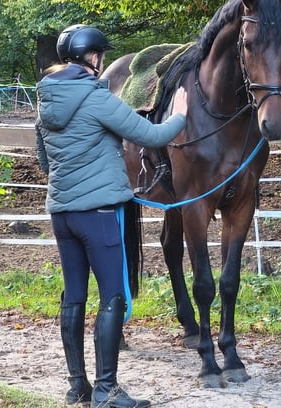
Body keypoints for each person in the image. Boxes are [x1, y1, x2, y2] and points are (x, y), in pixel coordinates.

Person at [35, 24, 188, 408]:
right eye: (100, 54)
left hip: (62, 213)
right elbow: (151, 136)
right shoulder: (96, 98)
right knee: (113, 296)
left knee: (74, 297)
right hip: (98, 214)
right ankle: (106, 389)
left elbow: (44, 160)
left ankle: (77, 387)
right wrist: (181, 115)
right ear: (93, 57)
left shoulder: (46, 101)